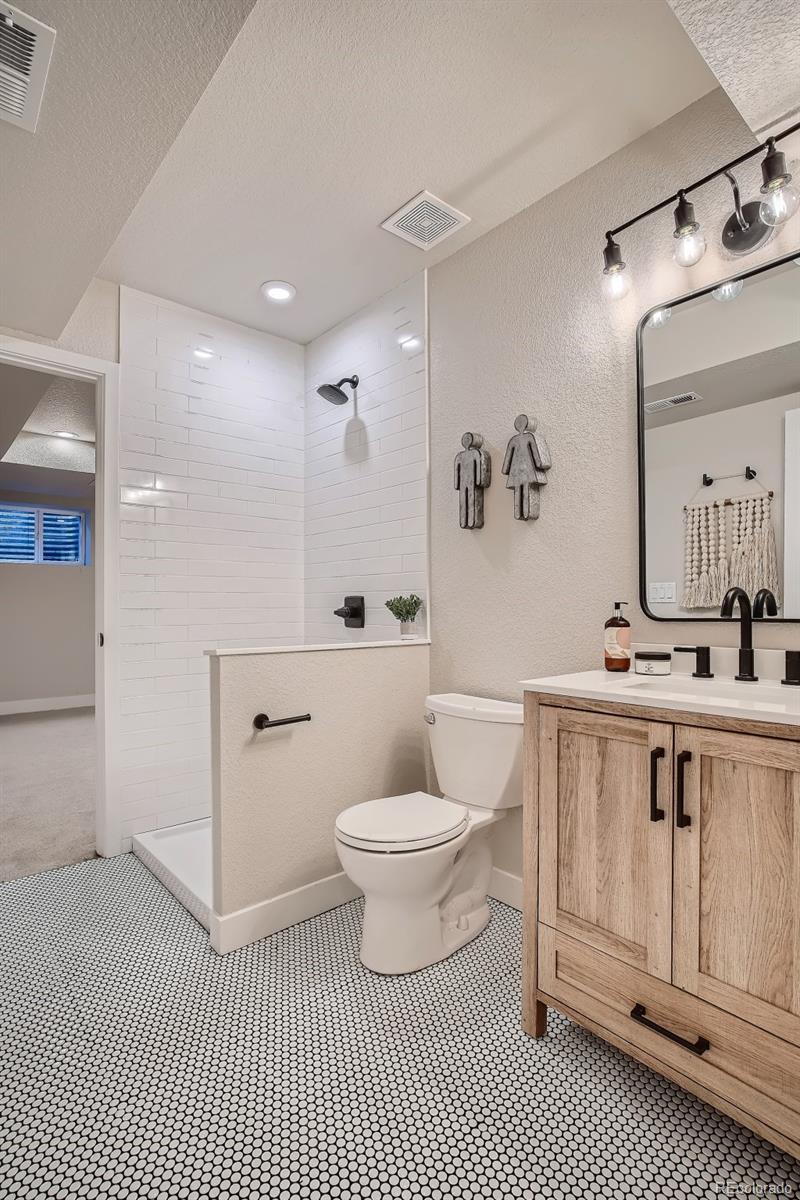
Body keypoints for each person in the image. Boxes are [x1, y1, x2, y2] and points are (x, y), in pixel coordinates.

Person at [501, 414, 551, 520]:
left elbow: (507, 462)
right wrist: (541, 463)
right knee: (521, 490)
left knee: (524, 490)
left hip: (523, 470)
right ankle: (521, 513)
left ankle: (522, 513)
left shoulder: (522, 438)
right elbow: (508, 457)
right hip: (522, 470)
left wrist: (506, 469)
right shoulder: (523, 438)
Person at [454, 432, 490, 528]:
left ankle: (471, 521)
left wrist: (479, 481)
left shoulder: (476, 454)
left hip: (472, 482)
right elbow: (457, 470)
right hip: (464, 482)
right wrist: (457, 485)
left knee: (472, 500)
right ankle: (464, 521)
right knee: (464, 501)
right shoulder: (459, 456)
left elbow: (479, 466)